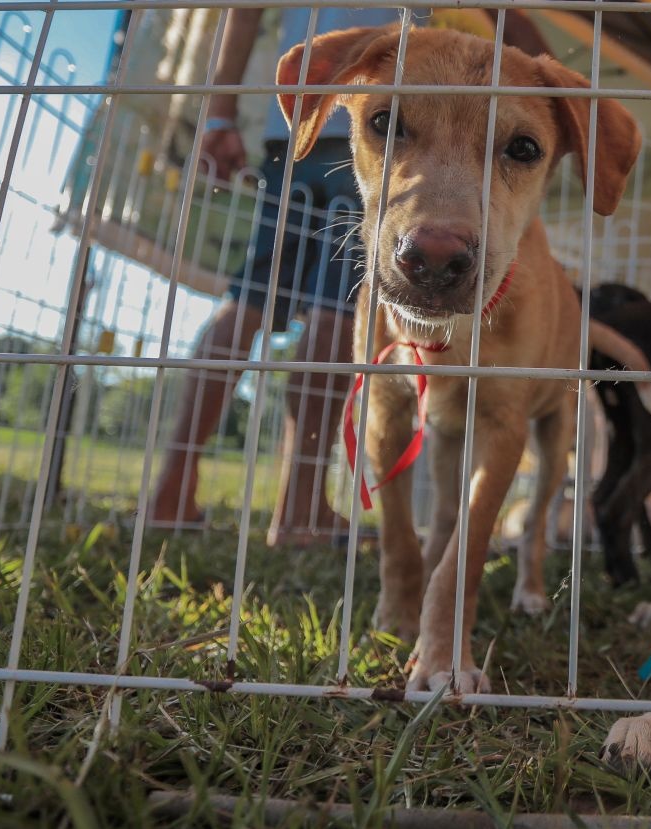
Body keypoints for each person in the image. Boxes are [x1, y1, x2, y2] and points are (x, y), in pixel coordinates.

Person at [146, 6, 549, 547]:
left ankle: (173, 489)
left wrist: (218, 113)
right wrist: (540, 69)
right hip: (375, 127)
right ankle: (302, 506)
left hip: (298, 126)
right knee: (337, 313)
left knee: (248, 299)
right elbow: (508, 18)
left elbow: (243, 14)